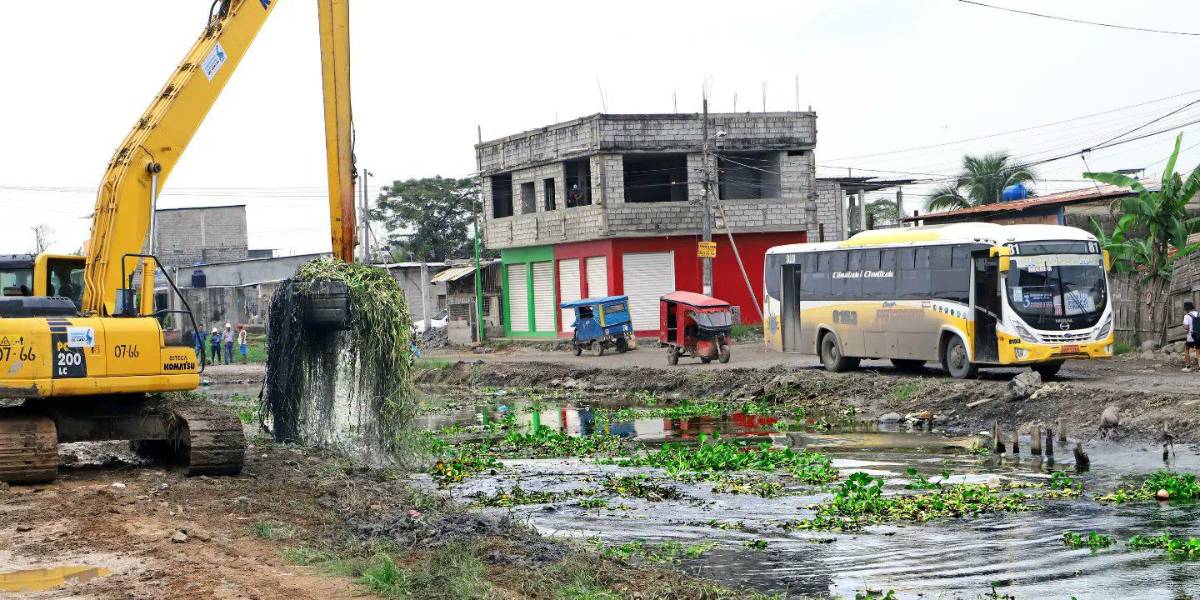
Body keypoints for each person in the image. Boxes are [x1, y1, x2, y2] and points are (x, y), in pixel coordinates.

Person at [1184, 301, 1199, 372]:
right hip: (1199, 336)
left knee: (1186, 349)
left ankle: (1188, 367)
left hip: (1191, 336)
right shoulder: (1199, 313)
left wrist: (1184, 326)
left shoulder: (1187, 316)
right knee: (1198, 351)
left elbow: (1186, 328)